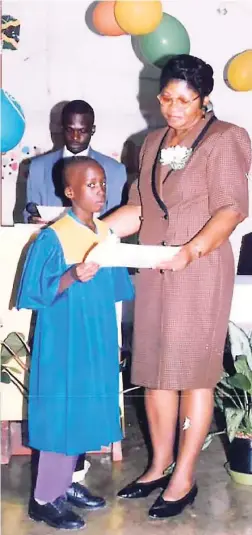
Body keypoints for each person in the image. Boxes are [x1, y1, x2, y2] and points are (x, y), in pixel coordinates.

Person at [104, 54, 251, 519]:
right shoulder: (149, 143)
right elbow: (139, 210)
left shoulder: (226, 138)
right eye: (166, 98)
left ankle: (183, 477)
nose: (173, 109)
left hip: (200, 267)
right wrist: (93, 235)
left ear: (204, 99)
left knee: (192, 372)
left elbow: (231, 209)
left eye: (184, 101)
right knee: (153, 368)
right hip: (153, 266)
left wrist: (191, 249)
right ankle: (157, 466)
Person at [16, 156, 134, 530]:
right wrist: (71, 274)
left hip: (95, 333)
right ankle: (44, 498)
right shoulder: (53, 236)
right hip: (63, 337)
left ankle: (68, 483)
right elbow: (34, 292)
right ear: (70, 191)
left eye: (102, 183)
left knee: (84, 408)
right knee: (62, 411)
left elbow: (114, 289)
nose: (100, 191)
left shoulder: (104, 233)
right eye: (90, 184)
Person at [24, 99, 127, 222]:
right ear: (62, 128)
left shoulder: (115, 171)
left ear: (92, 130)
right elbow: (28, 215)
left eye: (82, 131)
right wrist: (33, 221)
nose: (75, 137)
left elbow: (116, 223)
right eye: (70, 130)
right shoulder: (38, 168)